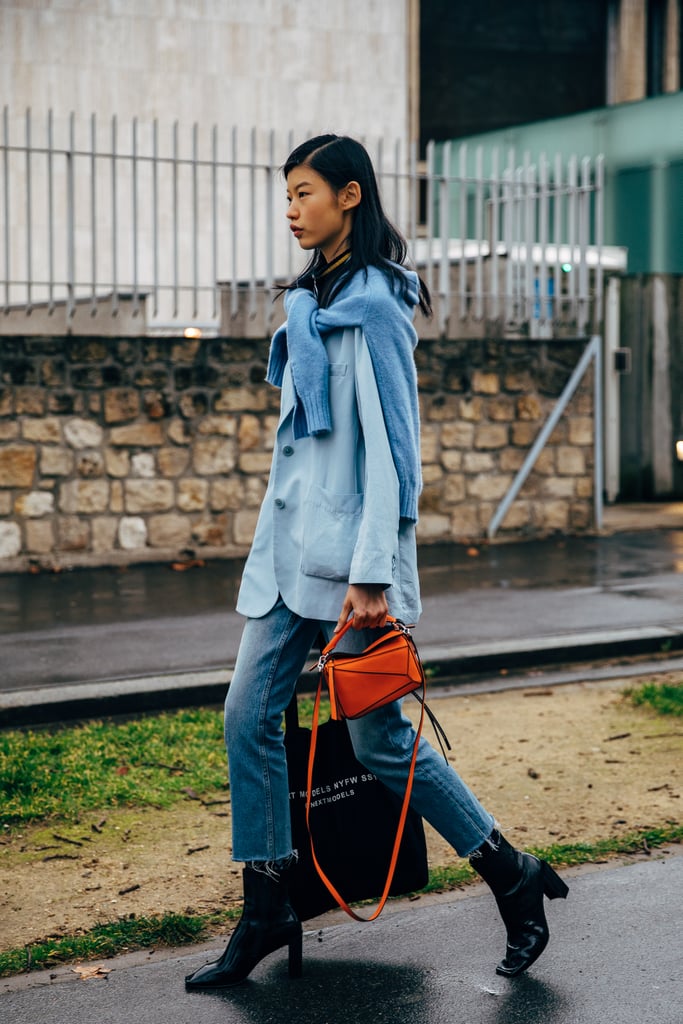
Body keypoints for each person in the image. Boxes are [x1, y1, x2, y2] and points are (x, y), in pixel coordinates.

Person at [184, 134, 568, 991]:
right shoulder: (305, 302)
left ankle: (511, 874)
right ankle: (268, 903)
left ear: (350, 196)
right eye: (285, 194)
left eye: (304, 191)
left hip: (352, 567)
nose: (290, 207)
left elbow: (396, 447)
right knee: (246, 716)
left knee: (382, 742)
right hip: (286, 560)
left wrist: (373, 575)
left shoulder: (377, 304)